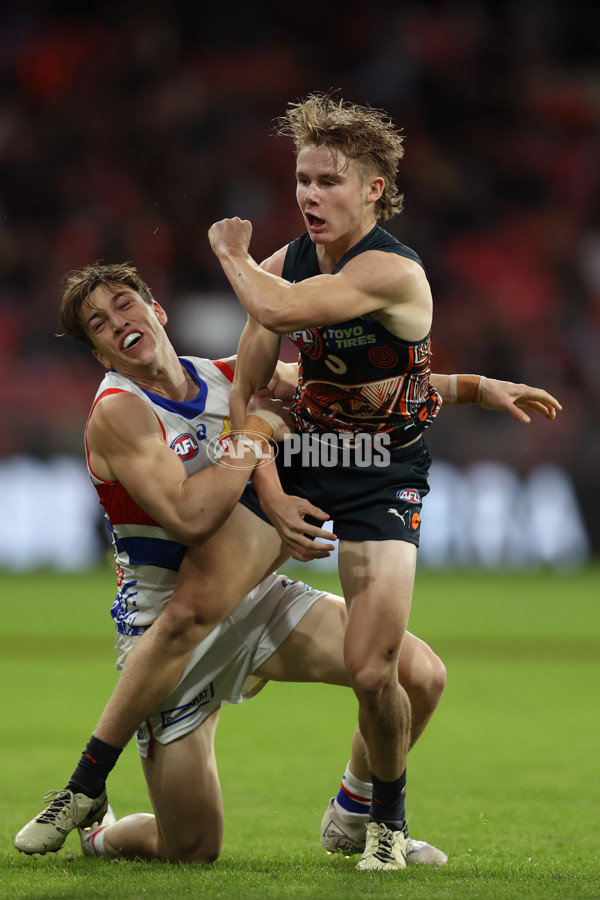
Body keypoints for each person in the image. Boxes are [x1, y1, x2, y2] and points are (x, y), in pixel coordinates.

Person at [13, 263, 558, 866]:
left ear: (156, 309)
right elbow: (192, 518)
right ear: (99, 353)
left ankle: (354, 811)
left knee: (418, 675)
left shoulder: (227, 375)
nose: (120, 323)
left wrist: (476, 388)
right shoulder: (121, 412)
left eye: (124, 304)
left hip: (252, 596)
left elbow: (354, 394)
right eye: (100, 324)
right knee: (191, 849)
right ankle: (102, 834)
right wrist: (255, 433)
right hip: (169, 630)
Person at [204, 93, 563, 871]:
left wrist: (230, 252)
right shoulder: (289, 264)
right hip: (304, 452)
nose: (308, 194)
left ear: (373, 190)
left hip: (380, 474)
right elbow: (249, 393)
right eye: (302, 178)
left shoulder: (390, 271)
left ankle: (377, 824)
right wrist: (267, 489)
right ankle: (120, 753)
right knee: (193, 606)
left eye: (329, 180)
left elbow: (277, 308)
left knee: (379, 670)